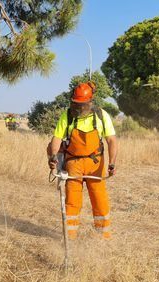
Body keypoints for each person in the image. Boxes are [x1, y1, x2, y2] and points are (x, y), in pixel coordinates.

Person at [46, 82, 118, 240]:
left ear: (90, 102)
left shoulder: (101, 115)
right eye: (76, 104)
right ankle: (70, 238)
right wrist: (53, 156)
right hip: (73, 165)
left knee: (100, 200)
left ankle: (103, 237)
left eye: (82, 105)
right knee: (72, 202)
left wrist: (112, 163)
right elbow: (56, 139)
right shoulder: (67, 116)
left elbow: (111, 140)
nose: (78, 108)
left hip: (95, 165)